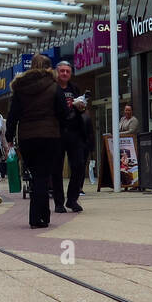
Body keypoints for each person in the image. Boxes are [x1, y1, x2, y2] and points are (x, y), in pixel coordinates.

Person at [8, 54, 68, 228]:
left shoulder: (20, 88)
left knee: (36, 176)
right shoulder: (54, 87)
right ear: (48, 68)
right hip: (49, 137)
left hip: (27, 138)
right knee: (43, 176)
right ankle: (37, 218)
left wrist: (9, 137)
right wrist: (62, 131)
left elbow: (13, 116)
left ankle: (42, 216)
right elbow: (63, 113)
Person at [52, 61, 91, 214]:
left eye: (67, 71)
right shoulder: (52, 89)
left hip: (75, 131)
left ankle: (72, 199)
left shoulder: (74, 88)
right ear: (57, 72)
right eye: (62, 71)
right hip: (57, 132)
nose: (65, 74)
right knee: (56, 169)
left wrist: (81, 106)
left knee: (79, 165)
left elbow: (82, 109)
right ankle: (59, 202)